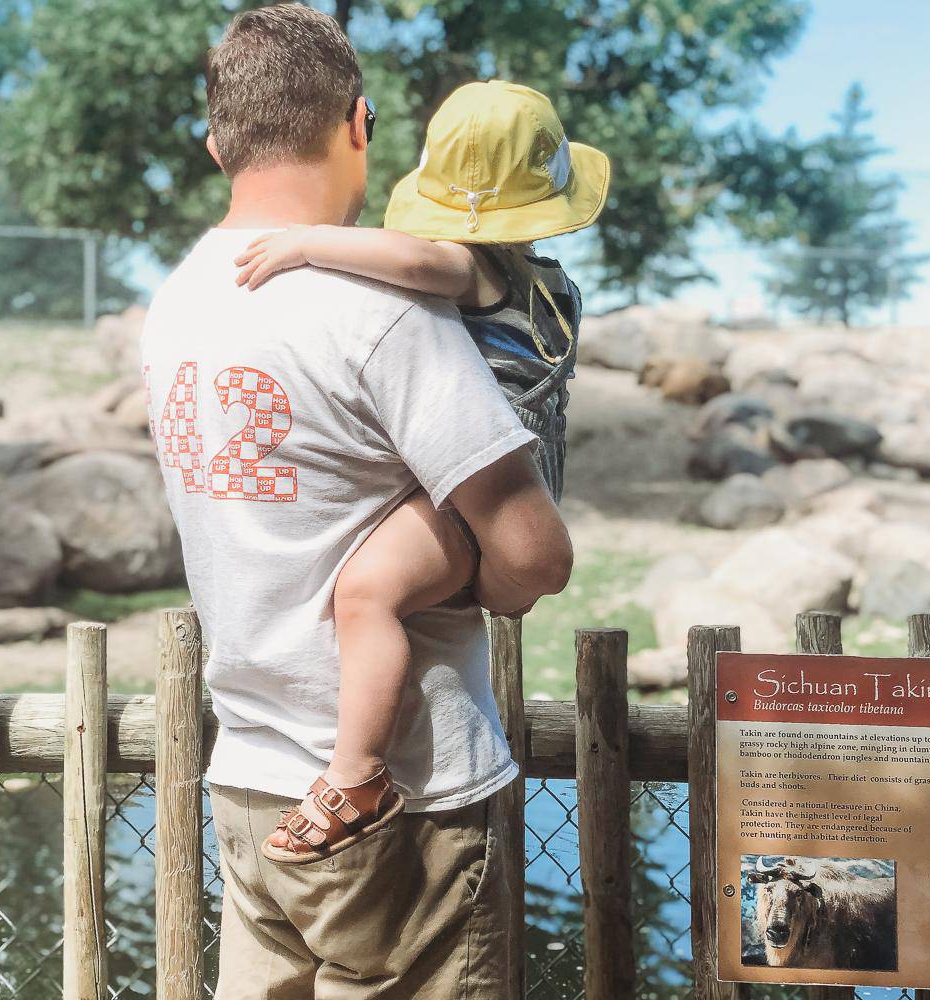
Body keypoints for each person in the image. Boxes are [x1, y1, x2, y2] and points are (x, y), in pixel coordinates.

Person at [140, 5, 574, 997]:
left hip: (250, 783)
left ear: (217, 147)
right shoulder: (382, 308)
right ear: (359, 123)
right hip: (407, 807)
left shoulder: (176, 303)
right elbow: (532, 562)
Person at [230, 80, 609, 865]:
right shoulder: (554, 284)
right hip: (527, 475)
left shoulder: (466, 270)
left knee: (367, 592)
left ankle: (358, 771)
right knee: (474, 590)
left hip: (474, 481)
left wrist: (305, 241)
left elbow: (414, 257)